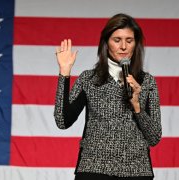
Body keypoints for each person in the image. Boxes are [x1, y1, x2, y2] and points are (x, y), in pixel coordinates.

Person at [54, 13, 162, 180]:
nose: (123, 47)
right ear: (106, 43)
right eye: (117, 40)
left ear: (136, 44)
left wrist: (137, 106)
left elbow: (154, 137)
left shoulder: (147, 82)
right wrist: (64, 73)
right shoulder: (88, 79)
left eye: (129, 40)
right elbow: (62, 121)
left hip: (137, 171)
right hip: (93, 169)